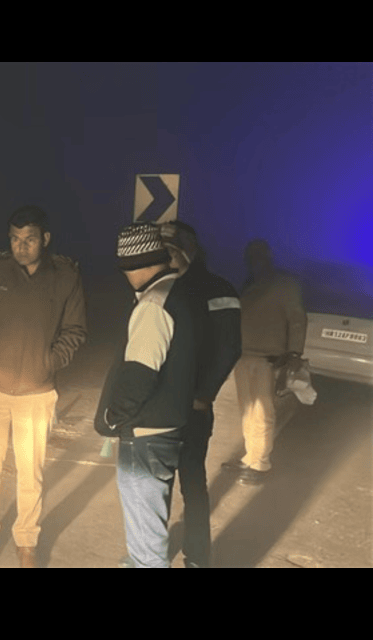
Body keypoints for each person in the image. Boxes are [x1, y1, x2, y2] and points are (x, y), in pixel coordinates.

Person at [0, 205, 86, 568]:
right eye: (15, 239)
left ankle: (27, 541)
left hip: (36, 392)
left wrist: (49, 362)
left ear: (44, 239)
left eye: (29, 239)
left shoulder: (65, 276)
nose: (21, 246)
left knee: (31, 472)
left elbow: (75, 330)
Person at [94, 221, 204, 568]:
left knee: (146, 539)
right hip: (168, 428)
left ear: (131, 266)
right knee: (150, 521)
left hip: (145, 435)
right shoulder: (180, 295)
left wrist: (113, 416)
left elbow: (139, 375)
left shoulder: (153, 305)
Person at [160, 221, 241, 568]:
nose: (165, 257)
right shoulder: (161, 286)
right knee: (156, 485)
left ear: (188, 250)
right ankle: (152, 552)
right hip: (160, 406)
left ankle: (197, 556)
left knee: (192, 484)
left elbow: (229, 347)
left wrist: (205, 394)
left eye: (171, 251)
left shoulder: (217, 288)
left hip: (193, 407)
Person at [224, 239, 306, 486]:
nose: (253, 260)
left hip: (268, 358)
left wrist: (294, 353)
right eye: (250, 255)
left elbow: (297, 319)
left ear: (269, 255)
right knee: (248, 411)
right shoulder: (250, 282)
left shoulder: (285, 283)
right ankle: (250, 457)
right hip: (243, 355)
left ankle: (260, 463)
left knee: (262, 412)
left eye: (258, 254)